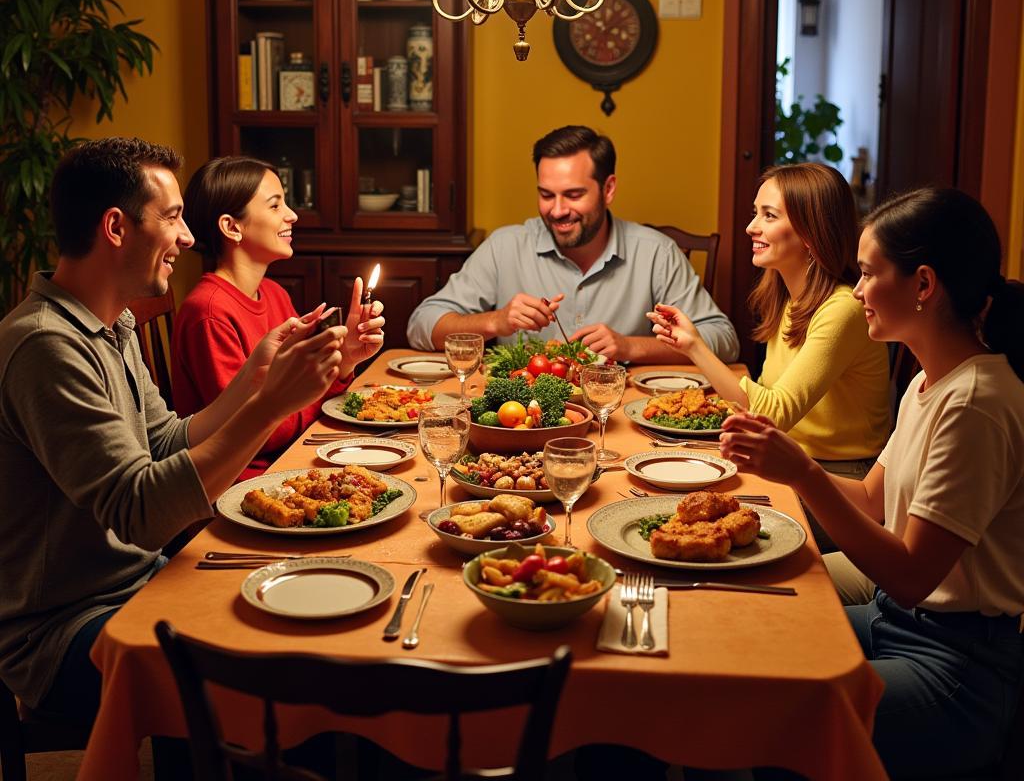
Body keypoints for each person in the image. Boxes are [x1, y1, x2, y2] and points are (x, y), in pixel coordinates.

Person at [0, 138, 353, 723]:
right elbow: (143, 512)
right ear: (116, 227)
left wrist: (254, 379)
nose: (188, 238)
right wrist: (268, 407)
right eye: (171, 218)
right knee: (294, 686)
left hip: (144, 579)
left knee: (319, 618)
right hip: (63, 629)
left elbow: (166, 440)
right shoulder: (46, 345)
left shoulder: (111, 325)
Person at [719, 187, 1024, 779]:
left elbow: (911, 575)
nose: (856, 291)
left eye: (866, 274)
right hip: (897, 623)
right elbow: (869, 498)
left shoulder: (978, 403)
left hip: (957, 665)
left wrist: (802, 471)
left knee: (782, 713)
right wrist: (787, 472)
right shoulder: (927, 383)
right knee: (745, 641)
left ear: (923, 285)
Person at [407, 125, 739, 363]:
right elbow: (421, 326)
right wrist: (495, 321)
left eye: (574, 195)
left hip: (620, 416)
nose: (558, 210)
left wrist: (629, 347)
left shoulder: (656, 253)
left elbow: (723, 340)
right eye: (546, 194)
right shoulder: (504, 247)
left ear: (608, 190)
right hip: (523, 420)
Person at [649, 163, 890, 479]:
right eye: (755, 213)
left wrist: (695, 347)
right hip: (789, 460)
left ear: (810, 232)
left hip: (838, 478)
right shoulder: (789, 298)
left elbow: (770, 414)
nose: (751, 227)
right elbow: (765, 393)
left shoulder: (842, 310)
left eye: (769, 215)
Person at [171, 156, 384, 479]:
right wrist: (310, 395)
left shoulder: (273, 294)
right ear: (232, 227)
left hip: (292, 459)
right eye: (275, 206)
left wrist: (345, 359)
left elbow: (299, 405)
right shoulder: (209, 313)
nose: (292, 215)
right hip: (245, 482)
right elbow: (261, 431)